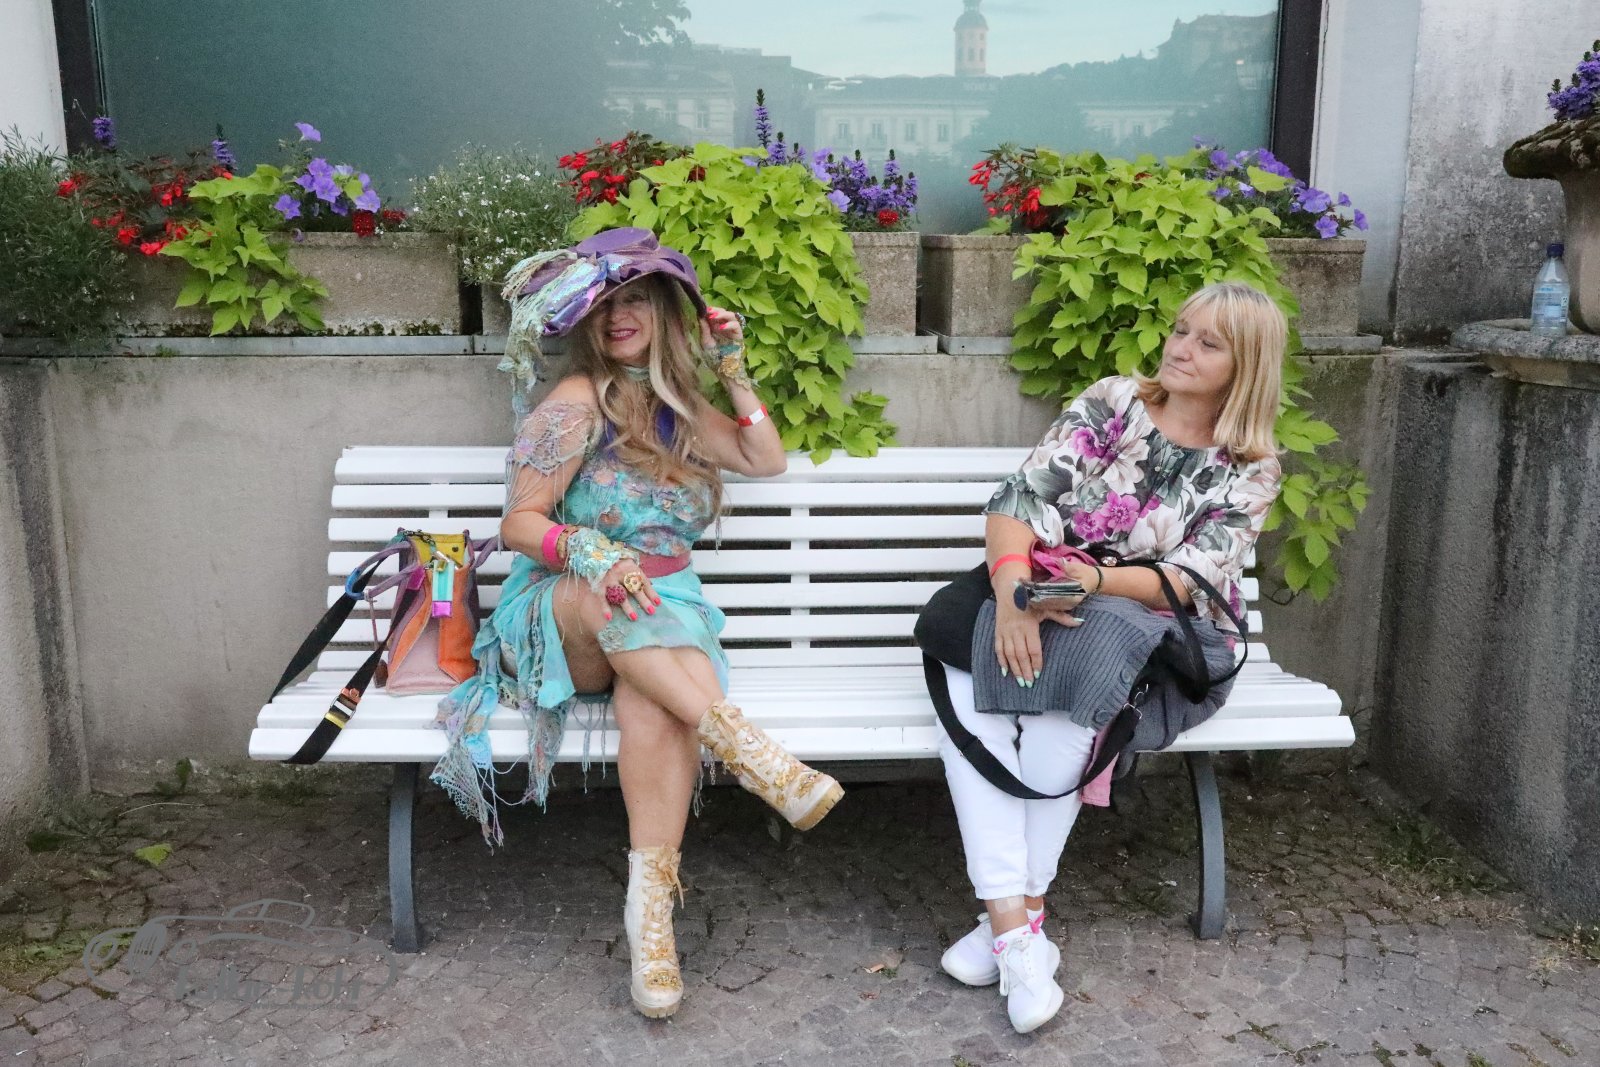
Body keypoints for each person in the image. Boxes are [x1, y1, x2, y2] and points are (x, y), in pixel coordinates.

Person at [430, 228, 844, 1019]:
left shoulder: (678, 407)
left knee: (653, 707)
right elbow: (519, 522)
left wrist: (733, 369)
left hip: (664, 608)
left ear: (662, 314)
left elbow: (766, 458)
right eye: (607, 304)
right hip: (565, 610)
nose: (620, 316)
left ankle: (651, 921)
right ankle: (746, 750)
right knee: (613, 601)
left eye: (637, 301)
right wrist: (591, 551)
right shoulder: (574, 404)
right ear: (588, 320)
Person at [927, 282, 1286, 1033]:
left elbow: (1187, 581)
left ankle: (1007, 927)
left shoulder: (1250, 467)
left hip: (1141, 626)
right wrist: (1015, 594)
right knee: (971, 700)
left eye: (1208, 343)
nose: (1181, 349)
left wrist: (1091, 583)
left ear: (1247, 364)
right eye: (1180, 330)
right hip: (1034, 587)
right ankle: (1018, 930)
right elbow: (1020, 499)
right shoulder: (1115, 403)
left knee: (1063, 718)